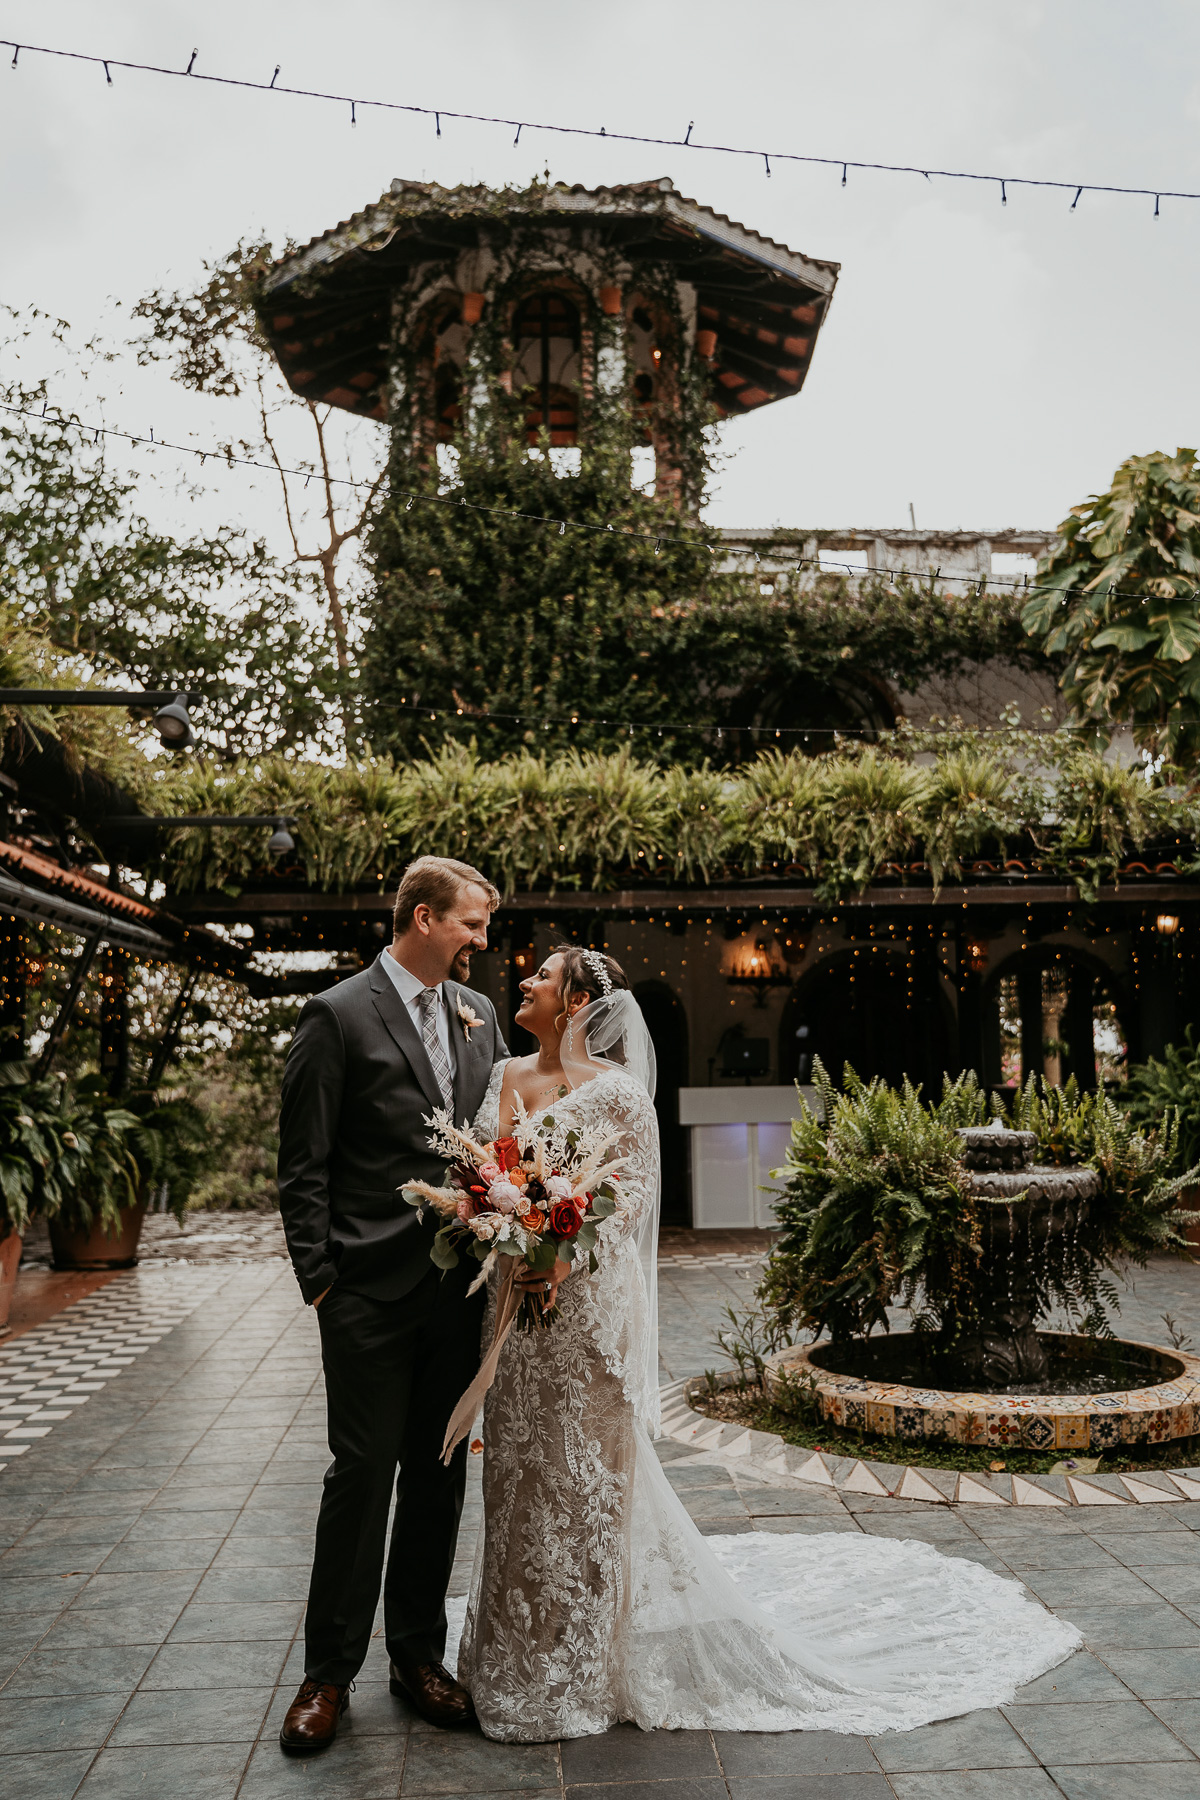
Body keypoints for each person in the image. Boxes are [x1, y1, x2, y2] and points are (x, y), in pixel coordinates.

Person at [454, 945, 1082, 1742]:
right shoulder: (506, 1074)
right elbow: (484, 1173)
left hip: (585, 1316)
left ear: (575, 1001)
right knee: (517, 1470)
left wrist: (566, 1254)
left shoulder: (617, 1095)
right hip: (516, 1311)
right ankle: (512, 1650)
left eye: (543, 976)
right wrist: (501, 1229)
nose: (529, 981)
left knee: (585, 1480)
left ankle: (580, 1661)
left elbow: (634, 1195)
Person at [275, 855, 508, 1754]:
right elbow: (303, 1164)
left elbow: (494, 1144)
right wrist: (323, 1281)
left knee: (439, 1478)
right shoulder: (336, 1015)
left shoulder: (479, 1014)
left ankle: (417, 1657)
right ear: (421, 917)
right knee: (360, 1478)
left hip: (460, 1293)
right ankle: (325, 1676)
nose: (481, 943)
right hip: (366, 1292)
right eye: (470, 925)